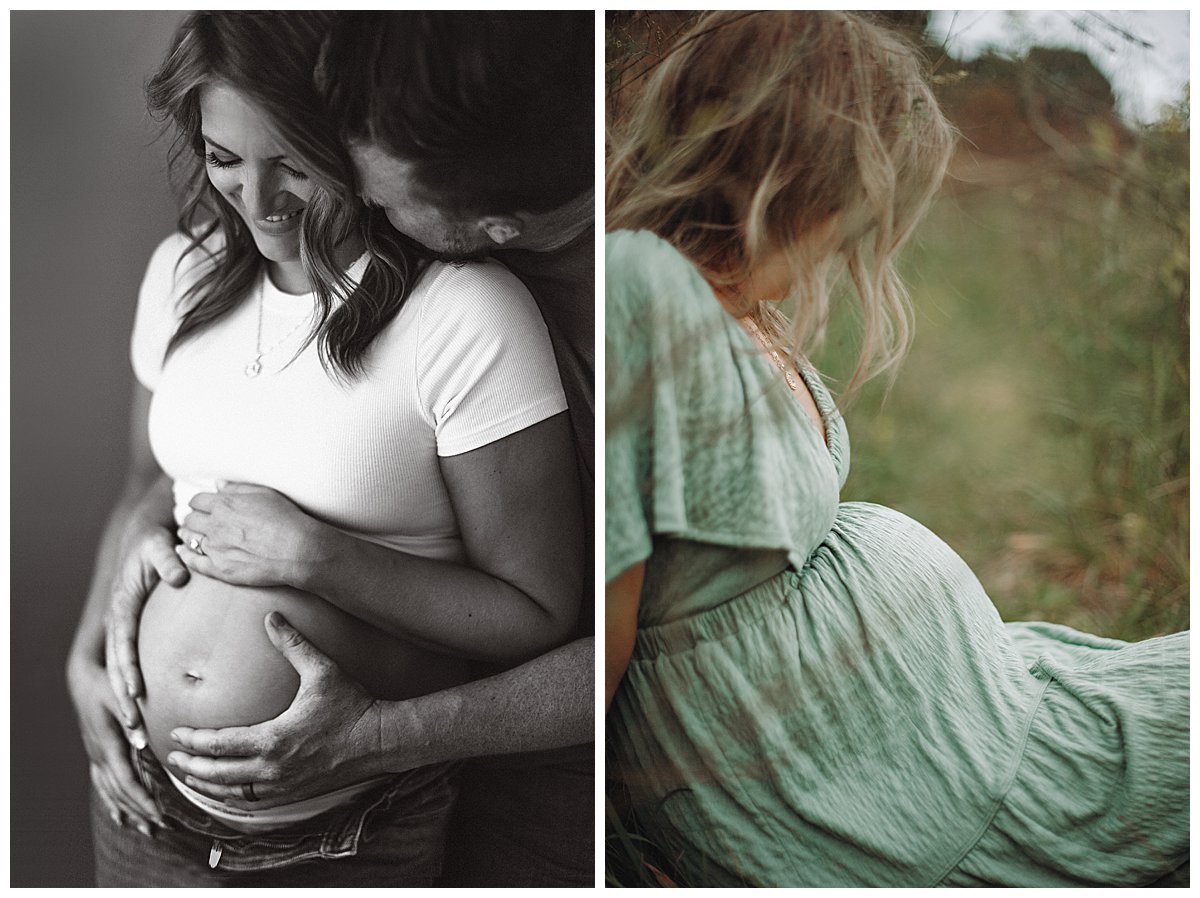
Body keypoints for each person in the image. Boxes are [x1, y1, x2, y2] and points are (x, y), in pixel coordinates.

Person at [604, 11, 1188, 888]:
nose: (848, 238)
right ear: (788, 180)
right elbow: (603, 639)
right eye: (849, 207)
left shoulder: (726, 301)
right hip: (870, 800)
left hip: (965, 719)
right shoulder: (643, 308)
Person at [67, 10, 582, 886]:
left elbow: (538, 613)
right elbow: (145, 487)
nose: (259, 204)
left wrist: (320, 557)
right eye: (224, 159)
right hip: (137, 798)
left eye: (293, 164)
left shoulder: (465, 313)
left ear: (352, 141)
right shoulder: (181, 274)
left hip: (344, 827)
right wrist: (85, 658)